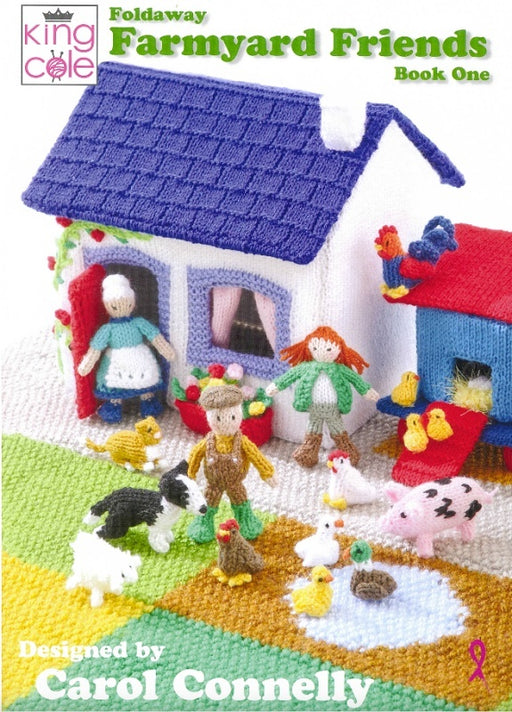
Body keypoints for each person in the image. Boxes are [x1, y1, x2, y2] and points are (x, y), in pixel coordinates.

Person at [266, 326, 378, 467]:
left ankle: (349, 455)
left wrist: (366, 391)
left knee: (339, 432)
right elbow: (289, 376)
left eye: (329, 349)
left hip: (333, 409)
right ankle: (308, 455)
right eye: (316, 348)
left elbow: (356, 380)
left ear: (339, 350)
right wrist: (276, 386)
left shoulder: (340, 369)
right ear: (309, 348)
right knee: (312, 432)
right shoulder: (306, 367)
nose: (323, 352)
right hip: (314, 409)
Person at [78, 274, 175, 423]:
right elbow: (96, 347)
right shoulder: (108, 329)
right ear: (107, 306)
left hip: (139, 357)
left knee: (145, 381)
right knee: (115, 381)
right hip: (117, 359)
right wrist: (87, 363)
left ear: (132, 302)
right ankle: (114, 404)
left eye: (128, 303)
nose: (122, 308)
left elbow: (154, 336)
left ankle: (148, 401)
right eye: (115, 306)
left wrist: (166, 350)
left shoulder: (138, 323)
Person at [187, 384, 277, 543]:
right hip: (213, 483)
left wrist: (267, 473)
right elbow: (194, 456)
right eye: (219, 418)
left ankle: (247, 522)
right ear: (209, 417)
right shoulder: (208, 442)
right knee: (207, 504)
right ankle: (203, 524)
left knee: (241, 504)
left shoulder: (242, 442)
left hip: (235, 482)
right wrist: (190, 475)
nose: (226, 423)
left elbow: (257, 457)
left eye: (233, 417)